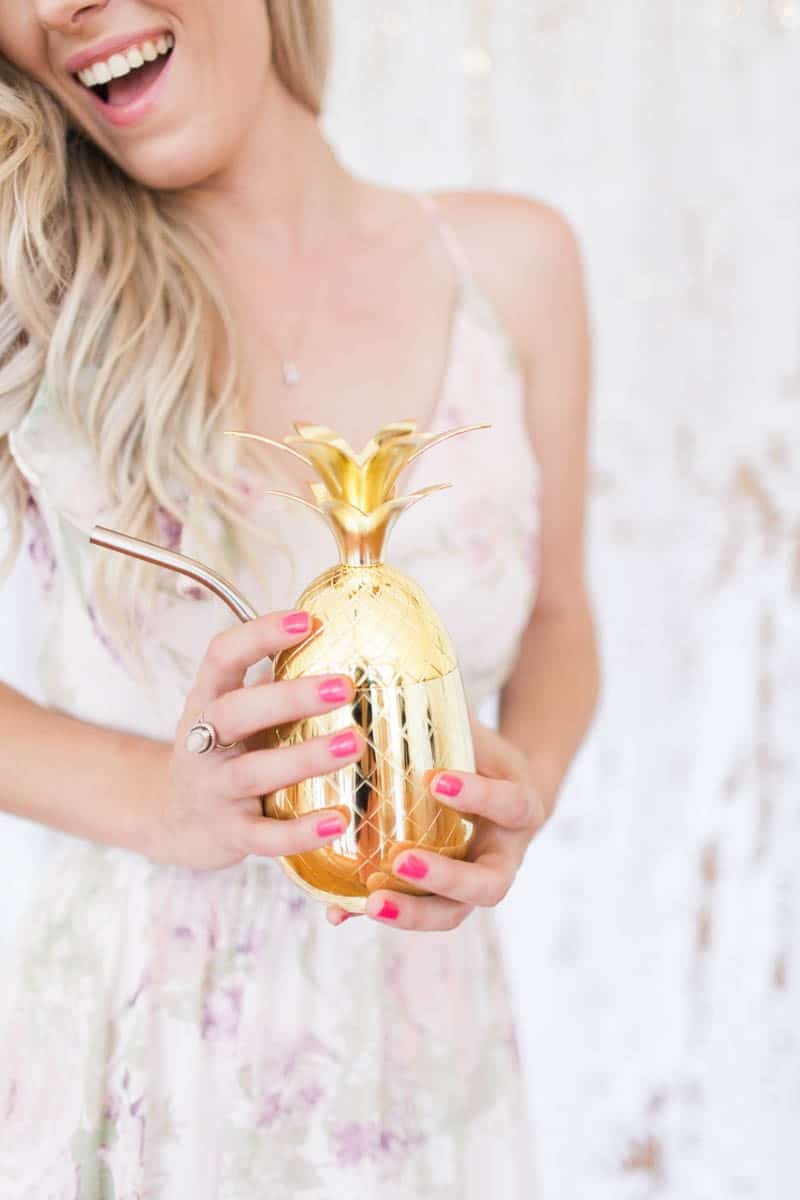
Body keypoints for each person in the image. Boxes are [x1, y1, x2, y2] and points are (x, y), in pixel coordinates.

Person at [0, 1, 600, 1196]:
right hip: (137, 1057)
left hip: (425, 1050)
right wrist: (160, 803)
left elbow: (558, 617)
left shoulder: (511, 267)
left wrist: (515, 784)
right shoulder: (34, 291)